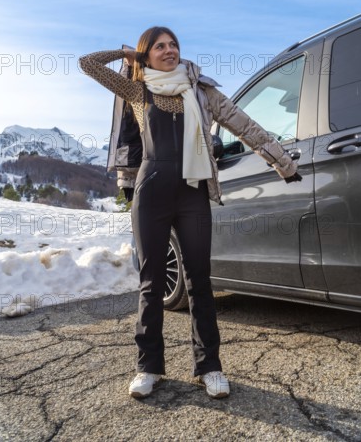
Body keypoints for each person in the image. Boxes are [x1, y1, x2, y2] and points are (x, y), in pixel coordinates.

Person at [79, 27, 301, 400]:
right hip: (150, 193)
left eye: (173, 45)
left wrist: (282, 163)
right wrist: (125, 56)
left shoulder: (203, 91)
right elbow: (88, 64)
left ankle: (209, 367)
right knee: (151, 282)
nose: (169, 51)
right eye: (159, 47)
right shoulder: (138, 89)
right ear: (146, 55)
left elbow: (245, 126)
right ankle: (148, 367)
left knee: (200, 280)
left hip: (192, 193)